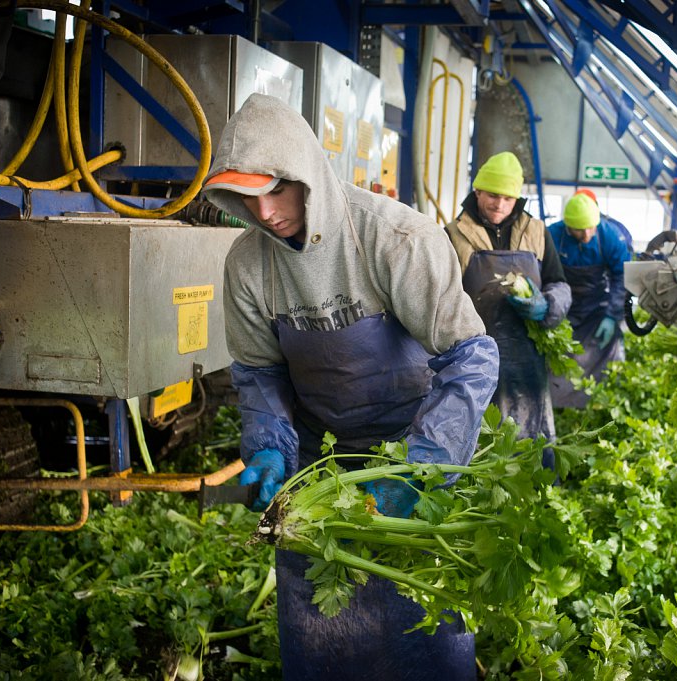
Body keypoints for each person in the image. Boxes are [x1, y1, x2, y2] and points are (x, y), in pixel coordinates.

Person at [200, 93, 499, 681]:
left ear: (307, 176)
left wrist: (425, 466)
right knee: (322, 637)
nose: (262, 212)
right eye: (243, 196)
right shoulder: (246, 266)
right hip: (320, 472)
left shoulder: (395, 239)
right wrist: (267, 444)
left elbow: (470, 357)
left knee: (424, 628)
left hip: (409, 454)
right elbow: (260, 373)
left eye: (274, 190)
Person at [444, 152, 570, 469]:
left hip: (528, 360)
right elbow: (439, 296)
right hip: (472, 357)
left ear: (517, 199)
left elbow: (559, 283)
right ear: (477, 193)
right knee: (478, 442)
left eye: (507, 198)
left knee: (530, 441)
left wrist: (548, 306)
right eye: (492, 195)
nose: (499, 204)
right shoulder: (453, 234)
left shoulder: (538, 232)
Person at [546, 193, 633, 408]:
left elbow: (621, 277)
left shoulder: (609, 236)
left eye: (590, 228)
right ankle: (557, 404)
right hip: (562, 304)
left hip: (596, 306)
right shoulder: (552, 236)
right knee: (558, 356)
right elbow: (541, 272)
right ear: (567, 226)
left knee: (605, 350)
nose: (586, 234)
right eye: (578, 229)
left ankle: (600, 405)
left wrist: (612, 317)